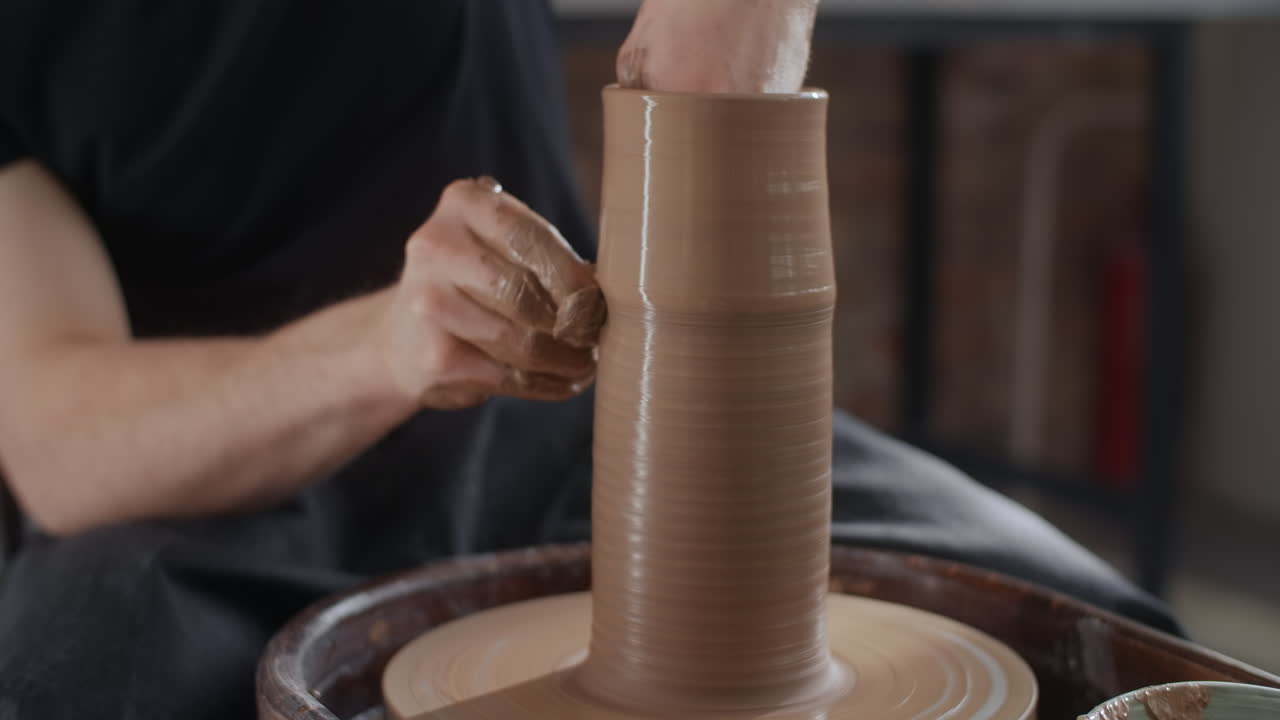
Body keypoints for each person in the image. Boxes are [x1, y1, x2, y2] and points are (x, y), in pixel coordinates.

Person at [0, 1, 1175, 717]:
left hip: (594, 422)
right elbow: (61, 444)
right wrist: (388, 343)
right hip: (238, 492)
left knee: (1112, 647)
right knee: (68, 681)